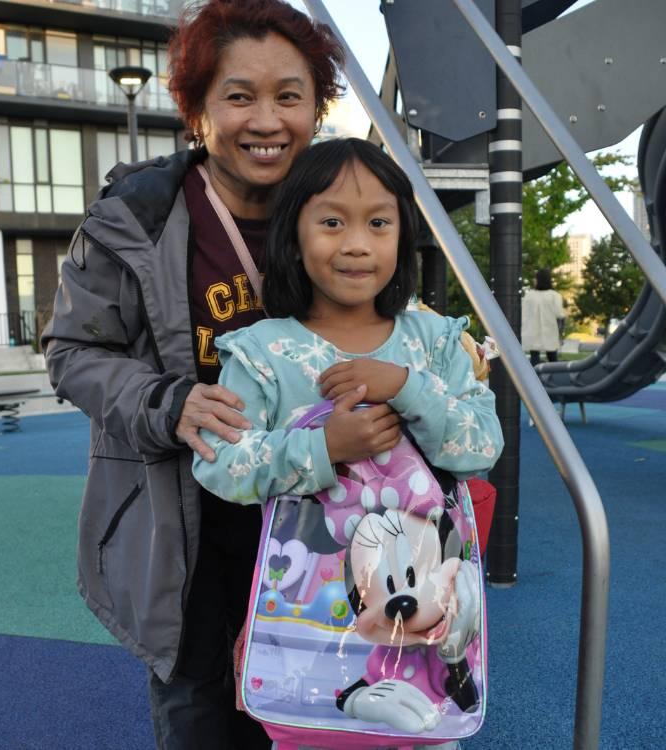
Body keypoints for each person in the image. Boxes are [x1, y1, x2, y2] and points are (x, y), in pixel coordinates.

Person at [41, 2, 346, 748]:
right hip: (192, 525)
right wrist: (166, 401)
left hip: (326, 518)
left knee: (330, 713)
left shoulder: (346, 208)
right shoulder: (136, 218)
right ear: (197, 110)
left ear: (316, 106)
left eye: (289, 95)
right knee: (203, 717)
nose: (266, 120)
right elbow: (71, 353)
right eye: (238, 96)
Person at [191, 138, 503, 750]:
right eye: (332, 221)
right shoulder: (261, 352)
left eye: (378, 223)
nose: (357, 242)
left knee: (427, 732)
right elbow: (221, 464)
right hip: (307, 619)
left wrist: (410, 388)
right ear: (293, 234)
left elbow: (479, 447)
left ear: (401, 234)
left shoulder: (434, 342)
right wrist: (322, 446)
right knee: (311, 734)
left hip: (425, 623)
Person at [521, 268, 566, 367]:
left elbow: (523, 313)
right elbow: (560, 314)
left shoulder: (529, 296)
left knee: (534, 356)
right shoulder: (555, 296)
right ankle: (554, 379)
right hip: (549, 330)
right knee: (552, 357)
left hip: (532, 331)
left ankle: (533, 380)